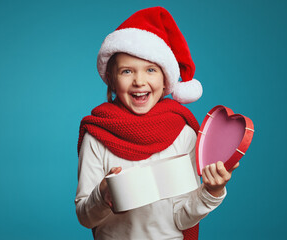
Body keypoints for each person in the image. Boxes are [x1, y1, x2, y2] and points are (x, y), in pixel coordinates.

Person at [75, 6, 239, 240]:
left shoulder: (183, 133)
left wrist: (212, 190)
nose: (139, 81)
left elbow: (182, 218)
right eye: (127, 71)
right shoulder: (96, 135)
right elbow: (85, 216)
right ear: (111, 80)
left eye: (150, 69)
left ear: (166, 80)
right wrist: (102, 194)